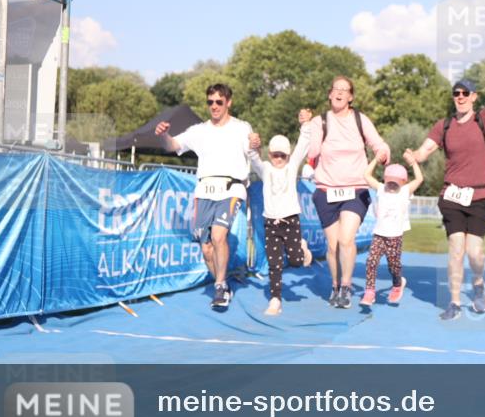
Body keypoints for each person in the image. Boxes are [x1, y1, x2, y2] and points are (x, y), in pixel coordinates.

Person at [409, 61, 485, 321]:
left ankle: (478, 283)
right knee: (455, 249)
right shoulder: (445, 125)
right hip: (451, 196)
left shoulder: (484, 119)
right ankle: (454, 302)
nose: (460, 97)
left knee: (475, 252)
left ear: (474, 97)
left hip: (479, 196)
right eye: (456, 93)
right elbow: (425, 149)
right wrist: (415, 156)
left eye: (465, 93)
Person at [155, 83, 258, 311]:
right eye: (210, 102)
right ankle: (222, 283)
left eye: (219, 102)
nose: (214, 106)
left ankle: (220, 285)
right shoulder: (199, 130)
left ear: (228, 102)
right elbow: (173, 146)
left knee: (220, 236)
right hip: (204, 191)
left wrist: (256, 146)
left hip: (231, 188)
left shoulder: (241, 127)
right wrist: (165, 135)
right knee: (206, 249)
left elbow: (253, 151)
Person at [305, 76, 391, 308]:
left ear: (351, 97)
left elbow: (379, 144)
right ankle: (334, 285)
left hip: (355, 189)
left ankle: (345, 286)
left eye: (345, 90)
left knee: (346, 239)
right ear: (330, 94)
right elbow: (312, 152)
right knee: (332, 246)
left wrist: (383, 153)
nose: (340, 93)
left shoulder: (360, 120)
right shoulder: (319, 122)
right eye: (336, 89)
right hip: (326, 190)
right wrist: (307, 128)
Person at [249, 132, 314, 316]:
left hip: (291, 221)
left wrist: (305, 127)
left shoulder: (292, 167)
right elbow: (253, 157)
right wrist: (253, 144)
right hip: (271, 223)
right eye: (275, 155)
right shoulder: (266, 169)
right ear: (269, 155)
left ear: (288, 156)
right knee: (274, 264)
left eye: (282, 155)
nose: (278, 159)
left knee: (295, 261)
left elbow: (302, 147)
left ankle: (302, 248)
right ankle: (275, 299)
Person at [359, 153, 424, 308]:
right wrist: (376, 159)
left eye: (396, 182)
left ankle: (397, 283)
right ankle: (369, 291)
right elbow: (366, 175)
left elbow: (420, 179)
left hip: (394, 237)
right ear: (385, 180)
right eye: (390, 182)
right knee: (371, 261)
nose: (392, 185)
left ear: (403, 182)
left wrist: (414, 163)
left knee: (393, 265)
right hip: (379, 235)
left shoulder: (405, 191)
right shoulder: (381, 189)